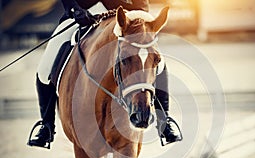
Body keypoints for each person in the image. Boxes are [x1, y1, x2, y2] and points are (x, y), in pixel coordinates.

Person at [29, 0, 182, 148]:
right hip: (82, 17)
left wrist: (137, 16)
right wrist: (75, 9)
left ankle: (164, 121)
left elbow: (141, 3)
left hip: (126, 19)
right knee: (44, 69)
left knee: (157, 62)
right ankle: (46, 125)